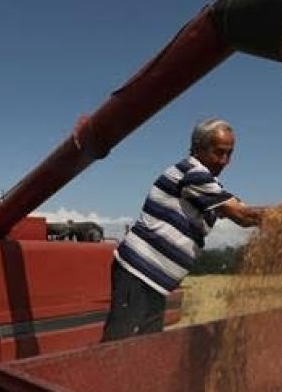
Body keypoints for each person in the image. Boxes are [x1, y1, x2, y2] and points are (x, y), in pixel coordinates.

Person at [101, 117, 265, 342]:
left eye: (230, 153)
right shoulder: (194, 173)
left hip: (154, 281)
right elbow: (243, 215)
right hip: (138, 273)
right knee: (120, 346)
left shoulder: (210, 186)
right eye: (219, 152)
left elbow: (243, 214)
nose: (225, 161)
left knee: (144, 348)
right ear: (198, 149)